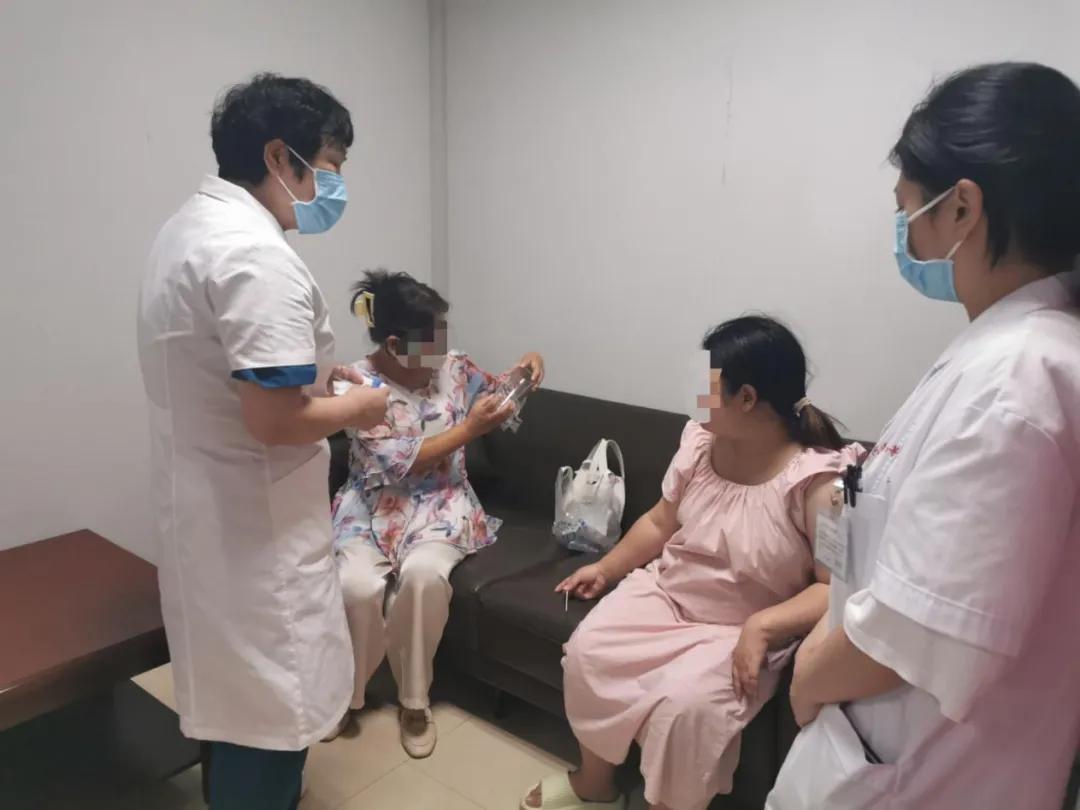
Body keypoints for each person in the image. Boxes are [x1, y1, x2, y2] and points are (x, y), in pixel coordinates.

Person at [766, 62, 1080, 810]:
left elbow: (917, 633)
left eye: (909, 208)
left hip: (915, 774)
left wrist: (807, 677)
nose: (904, 233)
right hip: (884, 751)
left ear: (962, 207)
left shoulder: (1014, 385)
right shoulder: (1002, 355)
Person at [137, 74, 389, 810]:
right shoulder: (256, 256)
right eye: (331, 164)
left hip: (210, 522)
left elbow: (231, 374)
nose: (335, 185)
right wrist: (362, 406)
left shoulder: (188, 231)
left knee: (235, 710)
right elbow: (274, 422)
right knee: (272, 723)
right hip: (259, 542)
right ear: (281, 157)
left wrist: (320, 376)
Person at [524, 316, 864, 810]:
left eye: (707, 383)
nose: (696, 397)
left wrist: (763, 627)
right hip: (667, 595)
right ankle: (594, 787)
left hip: (737, 627)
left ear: (746, 398)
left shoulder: (820, 484)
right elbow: (660, 522)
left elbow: (833, 588)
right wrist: (607, 568)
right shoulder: (699, 445)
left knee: (686, 709)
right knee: (588, 653)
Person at [329, 269, 545, 757]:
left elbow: (500, 394)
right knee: (355, 588)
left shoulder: (453, 367)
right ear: (394, 343)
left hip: (442, 503)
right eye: (432, 339)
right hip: (372, 506)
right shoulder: (355, 385)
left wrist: (528, 368)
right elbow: (398, 462)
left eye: (443, 333)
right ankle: (344, 695)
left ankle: (414, 700)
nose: (443, 349)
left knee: (424, 578)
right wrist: (469, 430)